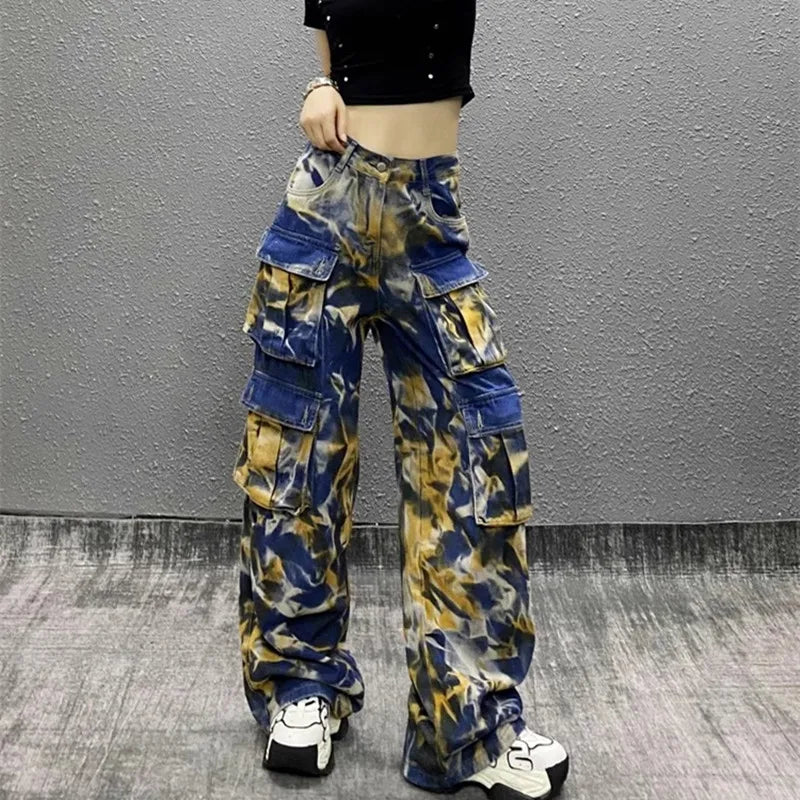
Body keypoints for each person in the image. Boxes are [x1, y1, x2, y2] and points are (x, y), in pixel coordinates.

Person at [232, 2, 571, 798]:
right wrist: (320, 82)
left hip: (429, 215)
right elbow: (330, 38)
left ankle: (467, 725)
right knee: (298, 460)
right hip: (327, 209)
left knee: (474, 456)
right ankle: (301, 688)